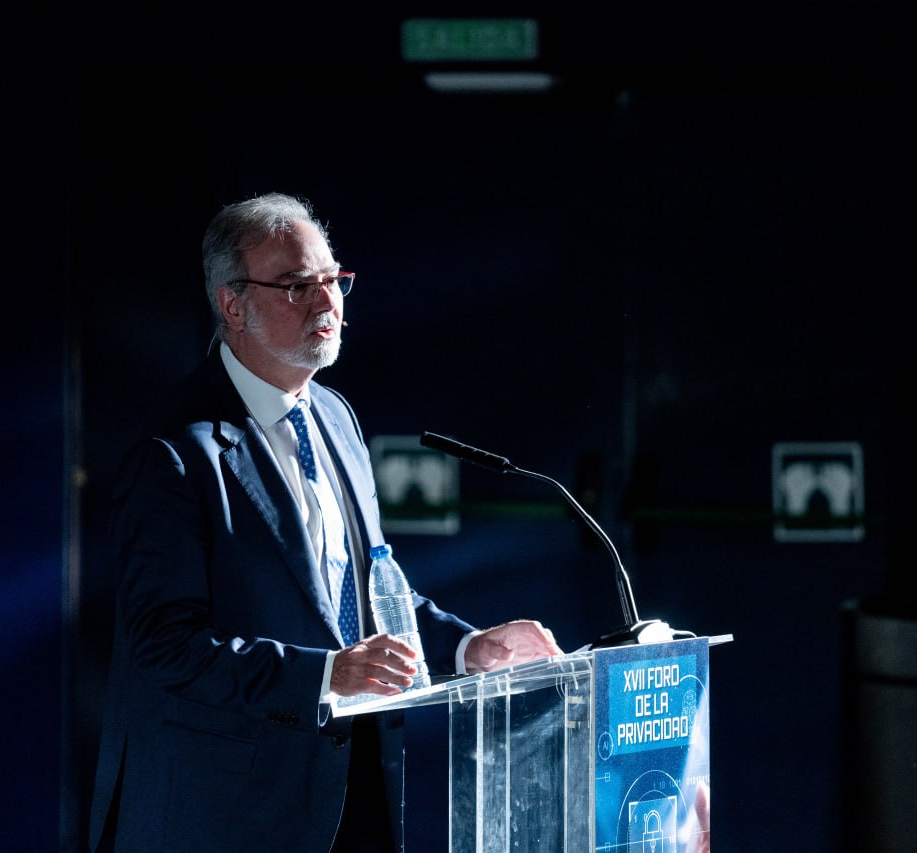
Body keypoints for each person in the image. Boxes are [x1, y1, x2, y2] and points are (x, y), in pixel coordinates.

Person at [87, 191, 564, 853]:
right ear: (233, 305)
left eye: (333, 279)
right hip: (230, 812)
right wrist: (325, 674)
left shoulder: (336, 417)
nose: (326, 302)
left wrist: (467, 647)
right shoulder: (174, 453)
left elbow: (364, 594)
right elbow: (165, 646)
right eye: (295, 286)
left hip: (355, 789)